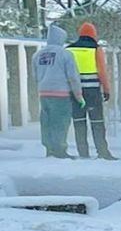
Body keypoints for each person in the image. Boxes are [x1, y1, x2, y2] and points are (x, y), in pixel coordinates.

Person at [31, 24, 85, 159]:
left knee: (47, 121)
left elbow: (34, 75)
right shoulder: (65, 54)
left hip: (43, 93)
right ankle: (60, 150)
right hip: (61, 94)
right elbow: (73, 77)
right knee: (61, 121)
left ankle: (49, 149)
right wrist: (78, 96)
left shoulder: (38, 54)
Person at [66, 22, 116, 160]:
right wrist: (106, 89)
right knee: (97, 122)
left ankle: (83, 153)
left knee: (79, 121)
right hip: (93, 91)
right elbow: (102, 71)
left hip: (75, 92)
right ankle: (102, 152)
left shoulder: (69, 49)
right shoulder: (96, 48)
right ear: (93, 34)